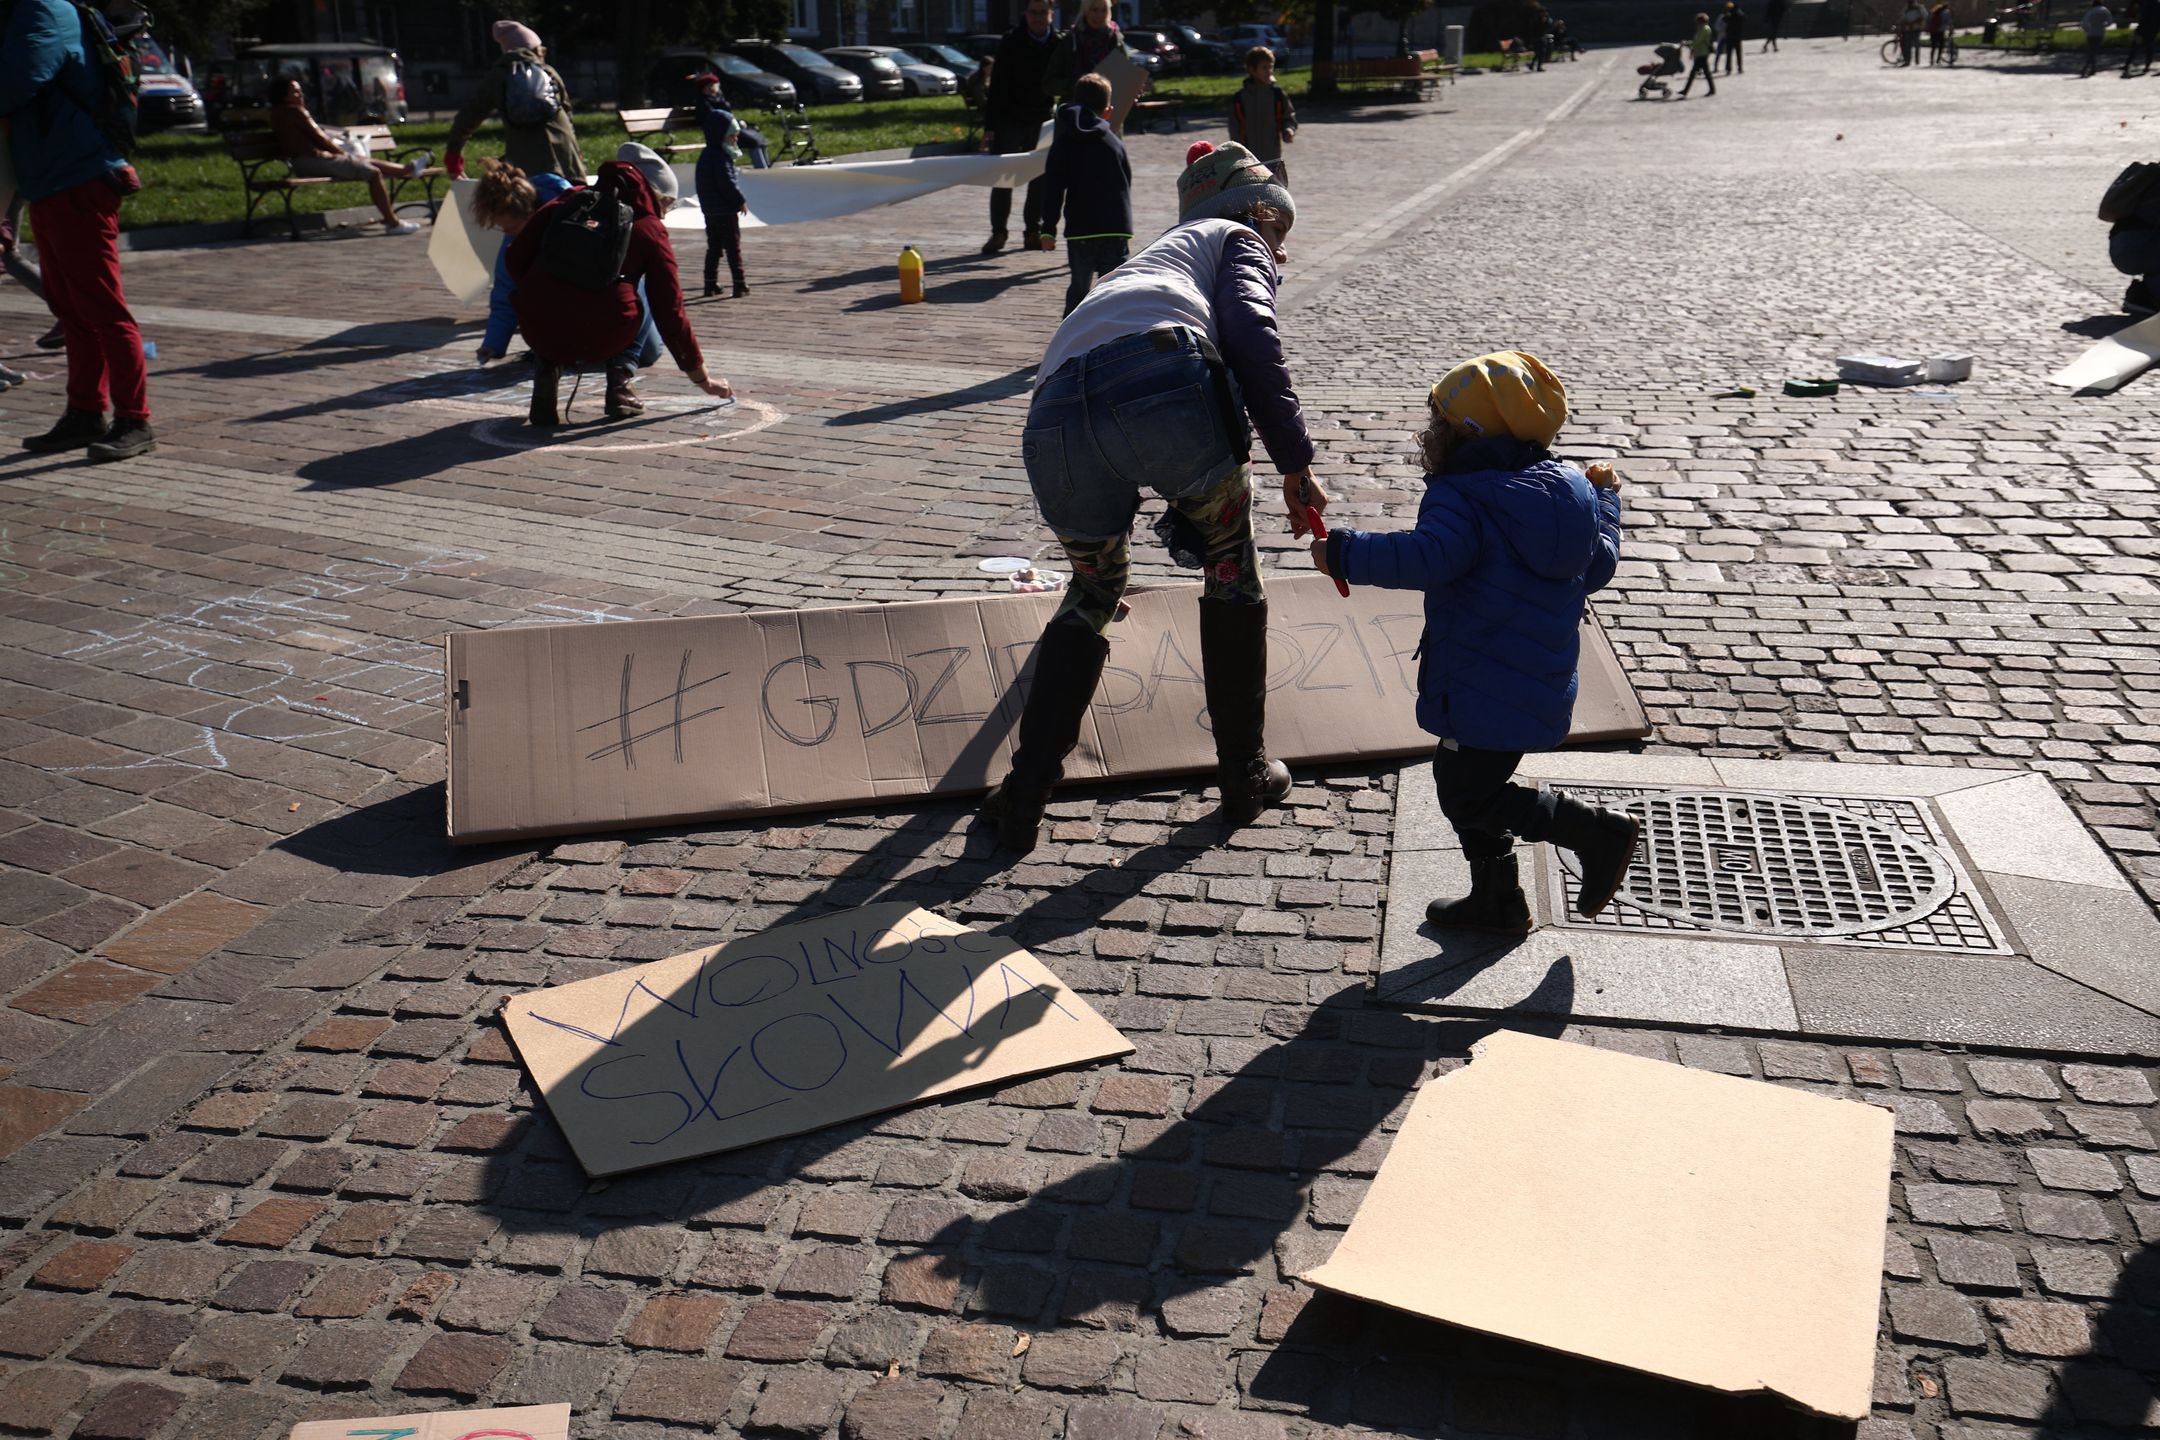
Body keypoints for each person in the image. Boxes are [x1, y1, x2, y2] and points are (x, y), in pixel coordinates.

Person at [981, 141, 1325, 849]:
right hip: (1161, 377)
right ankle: (1244, 774)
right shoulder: (1232, 235)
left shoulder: (1145, 263)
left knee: (1092, 590)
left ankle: (1024, 795)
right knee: (1229, 565)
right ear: (1252, 211)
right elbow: (1253, 337)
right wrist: (1295, 463)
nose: (1281, 250)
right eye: (1278, 230)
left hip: (1052, 415)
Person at [1307, 352, 1637, 932]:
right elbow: (1598, 564)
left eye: (1440, 422)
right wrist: (1605, 501)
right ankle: (1497, 901)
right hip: (1534, 678)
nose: (1431, 433)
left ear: (1468, 433)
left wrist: (1343, 552)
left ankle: (1593, 831)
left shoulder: (1464, 495)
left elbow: (1430, 556)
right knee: (1467, 783)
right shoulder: (1570, 493)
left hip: (1478, 677)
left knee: (1468, 794)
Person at [0, 0, 155, 459]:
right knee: (73, 311)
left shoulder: (44, 9)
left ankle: (135, 420)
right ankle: (86, 413)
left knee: (103, 308)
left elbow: (16, 83)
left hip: (78, 178)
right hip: (51, 180)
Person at [505, 144, 732, 424]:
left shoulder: (569, 199)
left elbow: (515, 257)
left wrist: (546, 292)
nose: (664, 214)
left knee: (558, 295)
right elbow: (670, 309)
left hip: (538, 327)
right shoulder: (648, 227)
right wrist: (703, 379)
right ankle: (620, 384)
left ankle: (545, 377)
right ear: (653, 194)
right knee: (639, 292)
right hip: (606, 333)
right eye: (667, 204)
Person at [269, 78, 430, 236]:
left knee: (360, 160)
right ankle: (393, 223)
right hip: (315, 161)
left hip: (301, 163)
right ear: (284, 96)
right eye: (295, 92)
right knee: (373, 173)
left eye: (300, 92)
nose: (301, 95)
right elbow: (321, 139)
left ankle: (407, 169)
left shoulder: (276, 113)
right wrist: (342, 153)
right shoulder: (296, 111)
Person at [445, 21, 585, 184]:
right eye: (541, 50)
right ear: (534, 50)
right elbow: (567, 112)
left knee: (536, 200)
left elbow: (468, 118)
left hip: (528, 170)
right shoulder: (548, 72)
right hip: (567, 162)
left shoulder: (497, 77)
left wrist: (453, 157)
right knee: (573, 199)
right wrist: (576, 151)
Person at [1040, 72, 1132, 316]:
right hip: (1115, 228)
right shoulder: (1114, 142)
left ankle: (1071, 336)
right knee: (1114, 293)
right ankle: (1114, 336)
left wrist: (1048, 229)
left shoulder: (1064, 142)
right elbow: (1126, 183)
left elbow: (1053, 187)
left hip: (1081, 230)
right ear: (1108, 111)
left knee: (1079, 291)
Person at [981, 1, 1062, 255]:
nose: (1037, 17)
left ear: (1051, 15)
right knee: (1002, 176)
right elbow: (997, 85)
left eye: (1043, 12)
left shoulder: (1058, 43)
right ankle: (999, 232)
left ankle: (1032, 231)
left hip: (1042, 119)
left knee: (1039, 178)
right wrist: (990, 126)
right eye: (1033, 12)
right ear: (1025, 15)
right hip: (1009, 119)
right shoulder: (1011, 41)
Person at [470, 159, 570, 365]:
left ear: (531, 214)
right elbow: (506, 289)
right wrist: (493, 343)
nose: (508, 234)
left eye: (511, 228)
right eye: (502, 229)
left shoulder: (571, 219)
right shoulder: (515, 239)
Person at [692, 75, 750, 298]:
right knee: (733, 248)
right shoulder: (721, 158)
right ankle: (739, 283)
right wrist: (740, 201)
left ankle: (710, 283)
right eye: (732, 136)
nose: (735, 140)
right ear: (721, 136)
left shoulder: (706, 156)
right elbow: (727, 183)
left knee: (714, 248)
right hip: (725, 210)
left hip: (710, 211)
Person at [1227, 46, 1297, 183]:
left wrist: (1288, 130)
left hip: (1272, 158)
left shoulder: (1277, 95)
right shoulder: (1240, 98)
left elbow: (1288, 118)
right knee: (1251, 191)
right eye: (1264, 68)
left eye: (1271, 67)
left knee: (1273, 191)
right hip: (1248, 159)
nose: (1269, 71)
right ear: (1252, 70)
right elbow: (1234, 127)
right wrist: (1238, 151)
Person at [1046, 0, 1131, 105]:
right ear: (1085, 11)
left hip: (1108, 109)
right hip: (1075, 109)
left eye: (1103, 10)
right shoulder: (1071, 40)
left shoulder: (1115, 40)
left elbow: (1127, 77)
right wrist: (1076, 85)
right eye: (1094, 10)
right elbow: (1049, 83)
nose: (1099, 15)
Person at [1680, 13, 1717, 94]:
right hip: (1702, 52)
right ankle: (1712, 90)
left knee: (1693, 73)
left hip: (1702, 53)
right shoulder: (1704, 28)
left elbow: (1698, 41)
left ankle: (1685, 90)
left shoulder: (1704, 29)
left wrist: (1687, 44)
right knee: (1706, 73)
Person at [2081, 0, 2114, 74]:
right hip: (2100, 32)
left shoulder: (2091, 11)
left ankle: (2087, 68)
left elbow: (2084, 22)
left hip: (2091, 33)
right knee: (2095, 51)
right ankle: (2092, 68)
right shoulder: (2105, 10)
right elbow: (2110, 21)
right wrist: (2104, 25)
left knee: (2091, 51)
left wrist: (2086, 30)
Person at [2126, 0, 2158, 73]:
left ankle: (2128, 64)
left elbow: (2143, 19)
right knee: (2148, 48)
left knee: (2135, 47)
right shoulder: (2155, 4)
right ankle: (2147, 65)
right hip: (2152, 30)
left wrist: (2138, 30)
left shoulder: (2147, 5)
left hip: (2143, 30)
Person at [1720, 1, 1746, 71]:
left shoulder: (1729, 14)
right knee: (1738, 53)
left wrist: (1726, 12)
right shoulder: (1739, 14)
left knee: (1729, 53)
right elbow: (1743, 18)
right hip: (1737, 36)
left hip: (1730, 36)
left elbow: (1724, 19)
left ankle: (1728, 68)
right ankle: (1740, 67)